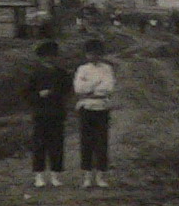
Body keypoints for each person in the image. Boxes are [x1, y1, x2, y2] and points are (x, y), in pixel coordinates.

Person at [26, 39, 72, 188]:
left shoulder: (62, 74)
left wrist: (54, 94)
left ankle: (55, 175)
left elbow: (67, 91)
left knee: (57, 145)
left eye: (53, 56)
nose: (50, 59)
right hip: (40, 113)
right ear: (41, 57)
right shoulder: (34, 74)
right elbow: (26, 94)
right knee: (39, 145)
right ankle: (39, 176)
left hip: (57, 113)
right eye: (47, 56)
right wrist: (39, 95)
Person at [72, 39, 116, 189]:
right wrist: (96, 85)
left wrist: (90, 87)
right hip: (86, 108)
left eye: (97, 54)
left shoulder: (107, 69)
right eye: (90, 54)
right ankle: (87, 176)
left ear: (101, 54)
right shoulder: (82, 69)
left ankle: (100, 176)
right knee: (86, 142)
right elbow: (79, 89)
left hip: (102, 108)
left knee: (101, 142)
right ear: (86, 55)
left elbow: (108, 88)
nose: (93, 57)